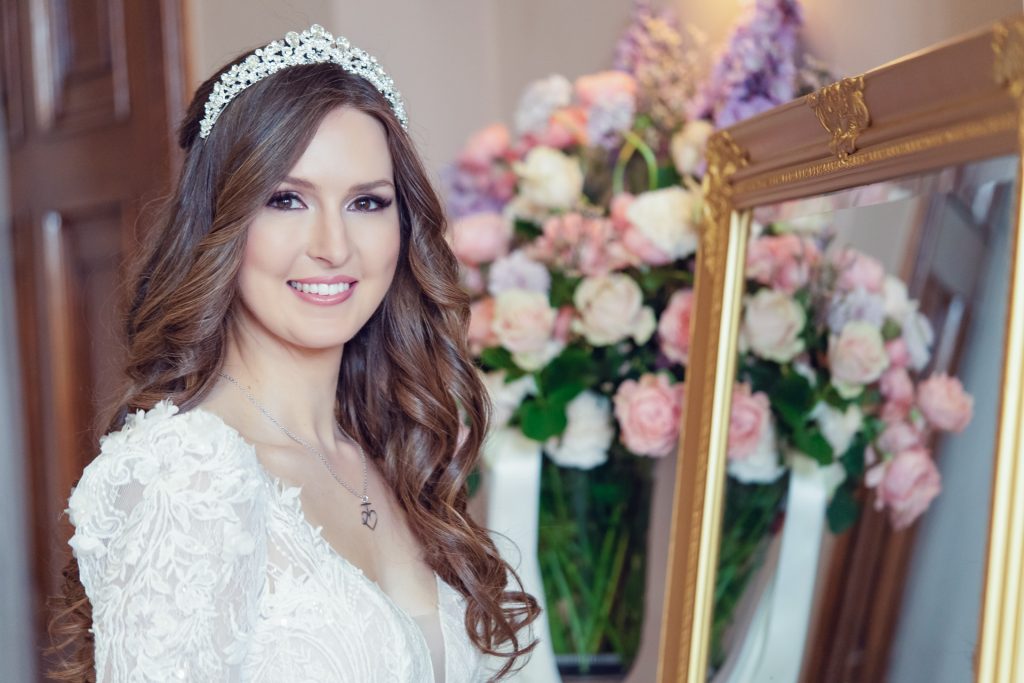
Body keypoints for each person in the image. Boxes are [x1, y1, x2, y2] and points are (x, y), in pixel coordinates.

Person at [48, 24, 540, 682]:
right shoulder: (187, 471)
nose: (333, 245)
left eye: (367, 201)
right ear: (220, 223)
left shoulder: (392, 452)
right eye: (286, 199)